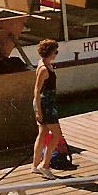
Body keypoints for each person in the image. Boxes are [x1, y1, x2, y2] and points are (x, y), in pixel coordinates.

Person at [31, 39, 62, 178]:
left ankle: (35, 164)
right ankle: (44, 165)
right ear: (50, 52)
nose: (56, 53)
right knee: (57, 135)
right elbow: (37, 90)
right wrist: (38, 110)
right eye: (55, 51)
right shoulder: (44, 69)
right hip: (46, 104)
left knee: (42, 133)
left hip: (45, 102)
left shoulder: (43, 64)